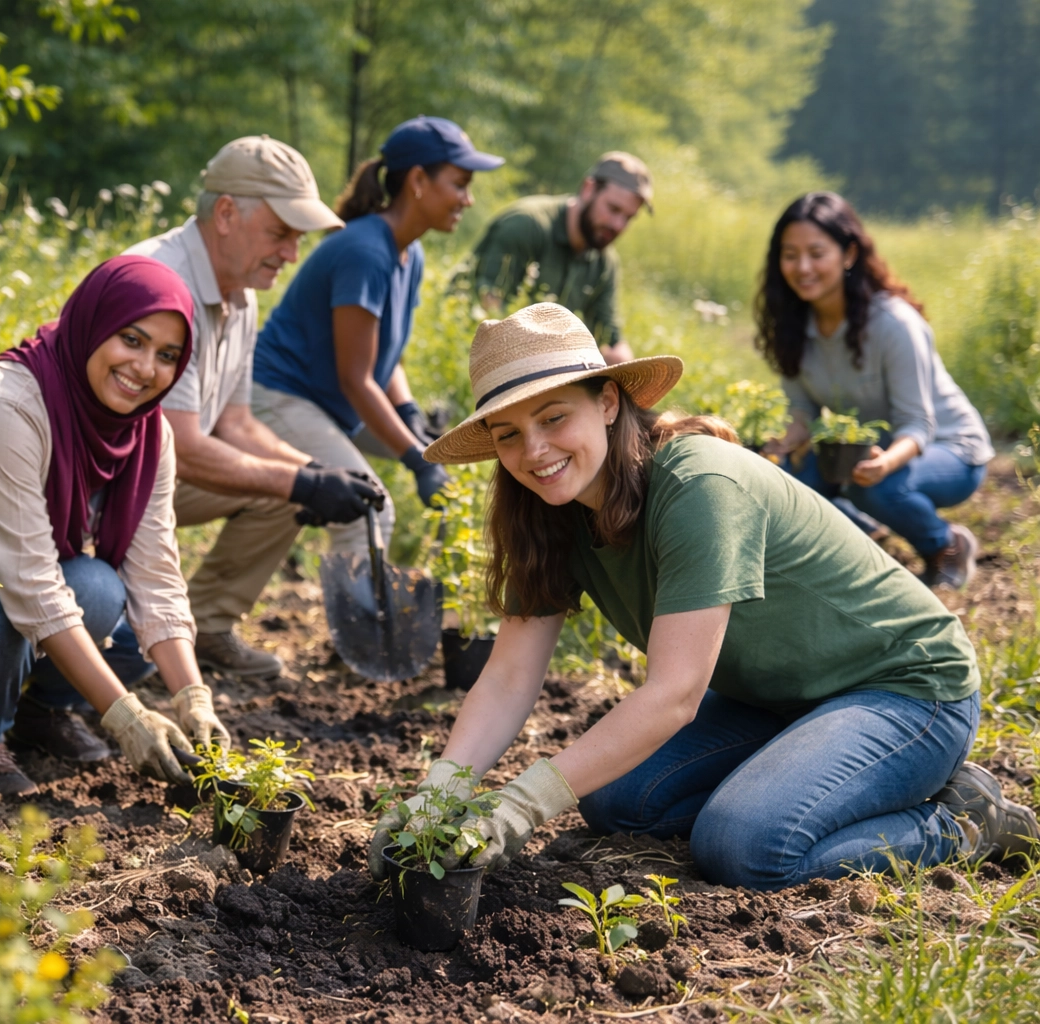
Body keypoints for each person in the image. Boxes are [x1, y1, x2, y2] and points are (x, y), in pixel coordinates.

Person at [370, 303, 1035, 891]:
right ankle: (805, 773)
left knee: (745, 845)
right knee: (612, 802)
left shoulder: (695, 484)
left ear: (606, 402)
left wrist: (520, 803)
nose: (535, 450)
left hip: (906, 688)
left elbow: (676, 695)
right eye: (508, 433)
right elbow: (511, 674)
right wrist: (438, 796)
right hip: (780, 698)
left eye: (552, 417)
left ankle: (960, 821)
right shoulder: (549, 512)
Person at [0, 256, 232, 798]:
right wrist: (125, 716)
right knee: (34, 589)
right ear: (94, 322)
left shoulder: (149, 434)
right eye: (131, 339)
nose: (145, 367)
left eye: (167, 356)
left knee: (111, 606)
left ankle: (40, 713)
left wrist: (193, 698)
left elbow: (155, 572)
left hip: (10, 567)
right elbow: (30, 584)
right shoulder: (5, 404)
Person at [119, 136, 382, 680]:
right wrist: (300, 483)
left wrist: (313, 472)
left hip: (149, 477)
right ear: (225, 213)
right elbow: (183, 448)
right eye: (281, 233)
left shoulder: (240, 293)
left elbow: (236, 422)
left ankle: (207, 628)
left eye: (297, 238)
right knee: (284, 488)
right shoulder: (159, 282)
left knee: (284, 488)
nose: (291, 254)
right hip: (99, 484)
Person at [252, 116, 502, 551]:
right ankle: (366, 621)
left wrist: (409, 417)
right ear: (419, 180)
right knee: (371, 508)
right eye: (460, 184)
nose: (468, 198)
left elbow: (386, 357)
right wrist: (416, 462)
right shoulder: (366, 251)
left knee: (444, 452)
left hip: (330, 400)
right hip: (278, 396)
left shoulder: (410, 251)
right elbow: (356, 378)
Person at [757, 192, 992, 590]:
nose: (803, 267)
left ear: (848, 254)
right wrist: (779, 447)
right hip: (871, 447)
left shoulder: (893, 324)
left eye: (817, 253)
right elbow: (802, 411)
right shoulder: (794, 327)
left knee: (874, 487)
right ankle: (862, 534)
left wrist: (883, 466)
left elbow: (918, 424)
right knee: (787, 485)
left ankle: (946, 545)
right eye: (790, 255)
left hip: (950, 448)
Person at [470, 152, 653, 364]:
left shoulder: (604, 262)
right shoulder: (528, 226)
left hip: (540, 367)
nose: (618, 225)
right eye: (613, 209)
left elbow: (610, 340)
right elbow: (487, 306)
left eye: (628, 217)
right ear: (588, 189)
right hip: (478, 355)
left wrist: (628, 382)